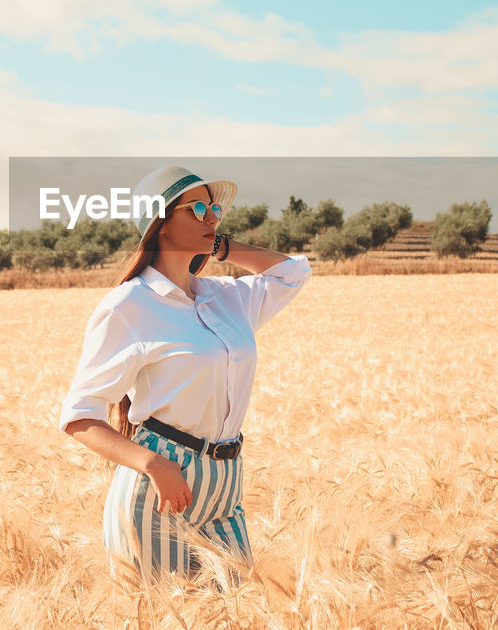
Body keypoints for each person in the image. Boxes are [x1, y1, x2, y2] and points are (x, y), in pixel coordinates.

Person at [58, 165, 312, 588]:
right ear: (159, 224)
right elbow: (78, 416)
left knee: (239, 614)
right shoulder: (129, 305)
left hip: (226, 485)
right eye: (196, 208)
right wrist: (153, 464)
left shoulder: (226, 297)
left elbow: (293, 273)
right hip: (160, 489)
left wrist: (222, 248)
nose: (212, 216)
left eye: (214, 208)